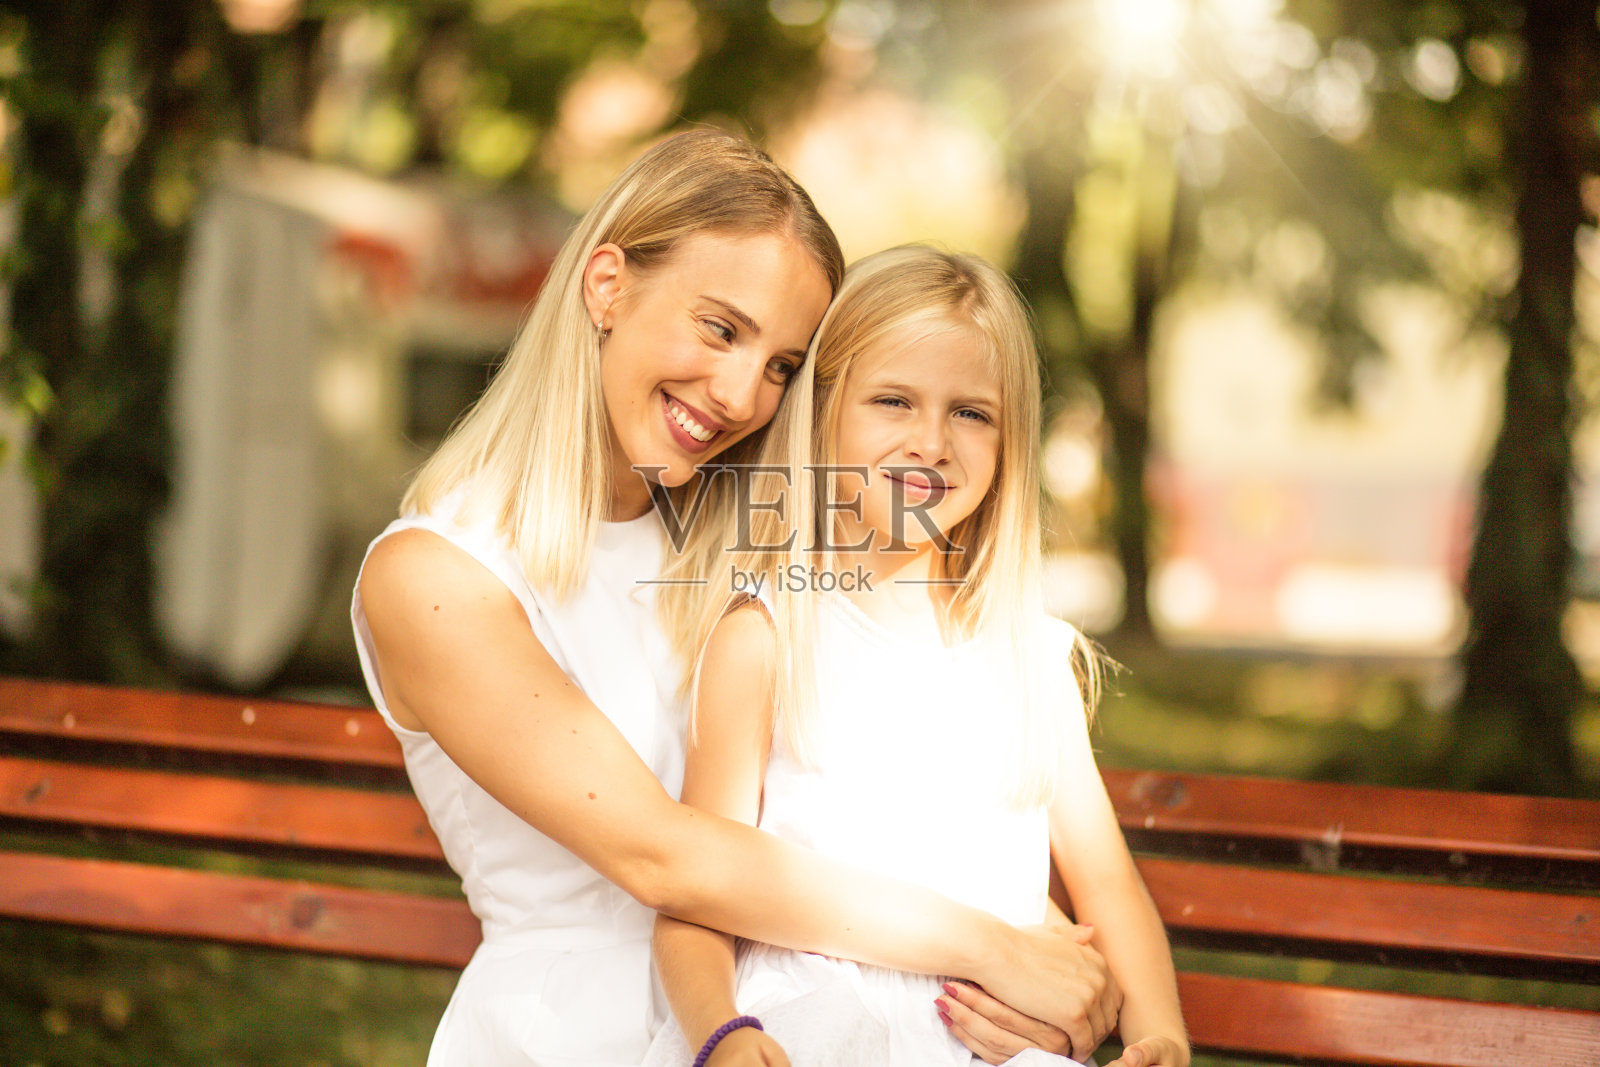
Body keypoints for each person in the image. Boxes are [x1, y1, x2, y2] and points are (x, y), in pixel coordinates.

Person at [352, 132, 1120, 1066]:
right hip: (579, 1032)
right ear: (606, 286)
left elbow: (874, 808)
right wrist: (993, 948)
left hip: (809, 1012)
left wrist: (1054, 972)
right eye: (720, 329)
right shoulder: (437, 576)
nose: (740, 393)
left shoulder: (754, 555)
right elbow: (665, 857)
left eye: (784, 365)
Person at [646, 246, 1188, 1067]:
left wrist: (1163, 1037)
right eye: (893, 400)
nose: (930, 441)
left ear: (1010, 443)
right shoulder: (767, 639)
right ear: (824, 413)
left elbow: (1109, 885)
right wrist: (722, 1031)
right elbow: (697, 893)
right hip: (819, 1030)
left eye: (971, 413)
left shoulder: (1030, 660)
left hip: (990, 1043)